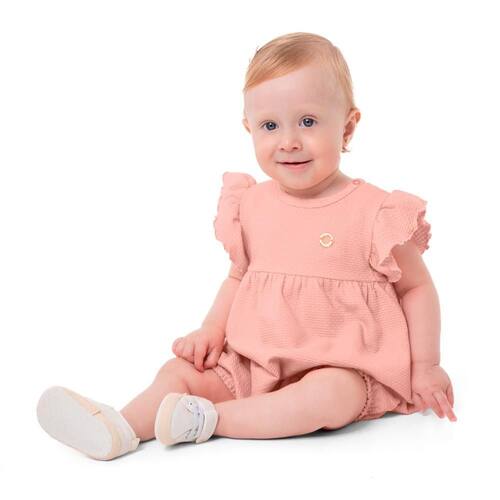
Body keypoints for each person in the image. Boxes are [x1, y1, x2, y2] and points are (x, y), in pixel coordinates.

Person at [37, 31, 457, 461]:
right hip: (254, 361)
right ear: (249, 128)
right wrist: (211, 330)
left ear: (347, 126)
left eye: (308, 122)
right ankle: (120, 427)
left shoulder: (375, 212)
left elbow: (416, 288)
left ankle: (209, 419)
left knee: (328, 396)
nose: (288, 141)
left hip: (343, 366)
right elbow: (239, 277)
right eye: (270, 126)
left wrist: (426, 366)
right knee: (180, 372)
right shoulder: (252, 204)